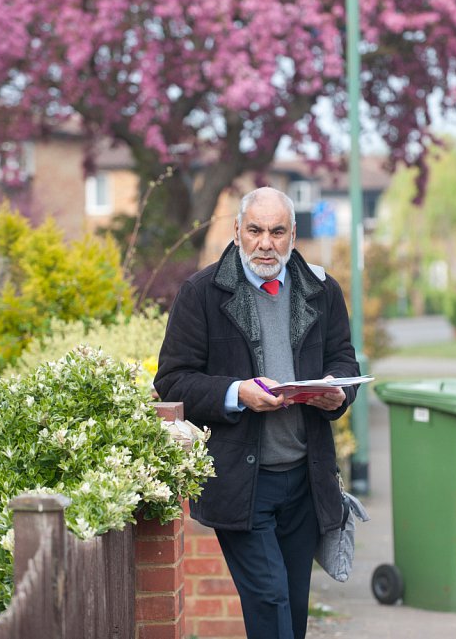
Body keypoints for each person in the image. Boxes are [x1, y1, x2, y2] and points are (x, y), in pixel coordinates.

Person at [154, 187, 360, 639]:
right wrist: (236, 392)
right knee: (269, 600)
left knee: (294, 609)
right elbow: (171, 380)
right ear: (237, 232)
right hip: (241, 482)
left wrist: (338, 394)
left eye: (277, 231)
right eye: (255, 230)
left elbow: (344, 361)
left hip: (306, 478)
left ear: (292, 235)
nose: (265, 243)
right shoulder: (201, 293)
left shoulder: (322, 291)